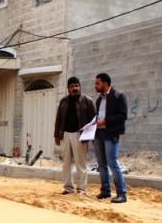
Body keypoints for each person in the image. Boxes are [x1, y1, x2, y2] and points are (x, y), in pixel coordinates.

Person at [54, 77, 96, 194]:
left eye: (77, 86)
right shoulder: (63, 102)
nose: (75, 88)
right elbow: (58, 119)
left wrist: (93, 137)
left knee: (80, 163)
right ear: (68, 88)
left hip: (80, 135)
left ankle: (82, 188)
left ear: (80, 86)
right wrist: (57, 135)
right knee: (66, 163)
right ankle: (68, 188)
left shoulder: (87, 101)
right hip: (66, 135)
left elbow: (93, 121)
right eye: (72, 86)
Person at [94, 73, 128, 203]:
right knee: (101, 164)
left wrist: (106, 121)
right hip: (99, 134)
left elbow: (123, 115)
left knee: (112, 163)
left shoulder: (118, 96)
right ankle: (105, 191)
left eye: (97, 83)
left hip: (110, 134)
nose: (95, 86)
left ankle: (122, 193)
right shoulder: (99, 99)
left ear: (105, 83)